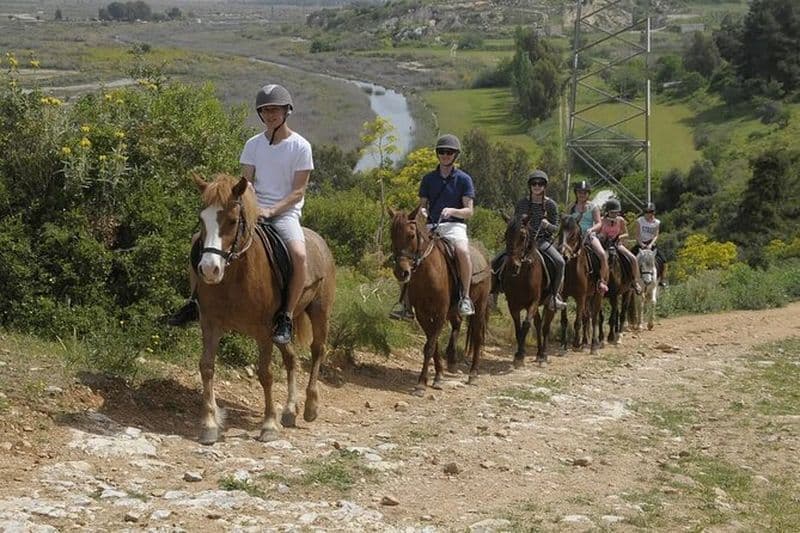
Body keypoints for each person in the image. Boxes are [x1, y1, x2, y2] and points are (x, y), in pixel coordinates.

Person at [169, 83, 314, 346]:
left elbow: (298, 192)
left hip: (285, 213)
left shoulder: (301, 146)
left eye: (275, 110)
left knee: (300, 254)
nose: (270, 115)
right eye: (265, 110)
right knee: (198, 241)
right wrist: (249, 207)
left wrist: (271, 210)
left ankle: (286, 316)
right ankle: (194, 301)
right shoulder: (253, 144)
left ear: (286, 111)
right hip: (252, 208)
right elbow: (245, 183)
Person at [389, 134, 476, 319]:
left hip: (455, 226)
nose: (445, 155)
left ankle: (465, 297)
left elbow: (469, 211)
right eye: (442, 152)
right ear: (438, 154)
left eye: (449, 152)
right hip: (431, 227)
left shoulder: (464, 179)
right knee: (404, 256)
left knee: (463, 252)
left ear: (455, 155)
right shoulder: (428, 179)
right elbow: (422, 205)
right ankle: (404, 303)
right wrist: (423, 213)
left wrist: (453, 211)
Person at [513, 170, 567, 311]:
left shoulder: (551, 205)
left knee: (560, 262)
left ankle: (554, 296)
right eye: (534, 183)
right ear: (530, 185)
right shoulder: (522, 203)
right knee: (499, 259)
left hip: (542, 241)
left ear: (545, 186)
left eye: (540, 184)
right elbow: (515, 223)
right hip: (523, 241)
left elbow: (555, 228)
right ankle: (494, 289)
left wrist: (547, 225)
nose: (537, 186)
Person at [568, 180, 609, 293]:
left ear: (588, 194)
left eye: (585, 192)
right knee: (560, 251)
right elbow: (567, 221)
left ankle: (601, 281)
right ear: (576, 193)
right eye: (580, 192)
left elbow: (599, 223)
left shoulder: (593, 207)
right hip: (573, 237)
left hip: (588, 235)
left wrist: (591, 229)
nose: (582, 194)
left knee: (602, 254)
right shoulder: (571, 207)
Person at [598, 198, 642, 294]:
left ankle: (634, 281)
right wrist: (604, 237)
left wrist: (619, 237)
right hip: (605, 245)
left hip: (617, 244)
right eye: (612, 212)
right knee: (601, 259)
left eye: (616, 212)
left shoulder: (621, 220)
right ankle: (599, 280)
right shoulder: (602, 220)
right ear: (607, 211)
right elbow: (599, 234)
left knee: (633, 258)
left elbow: (626, 234)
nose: (614, 214)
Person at [632, 202, 668, 286]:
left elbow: (656, 235)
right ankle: (631, 278)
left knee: (664, 260)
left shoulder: (657, 222)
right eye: (647, 212)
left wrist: (651, 244)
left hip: (651, 244)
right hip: (640, 244)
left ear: (654, 212)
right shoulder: (639, 221)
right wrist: (641, 244)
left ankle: (663, 278)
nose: (649, 214)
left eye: (651, 211)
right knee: (630, 259)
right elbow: (637, 235)